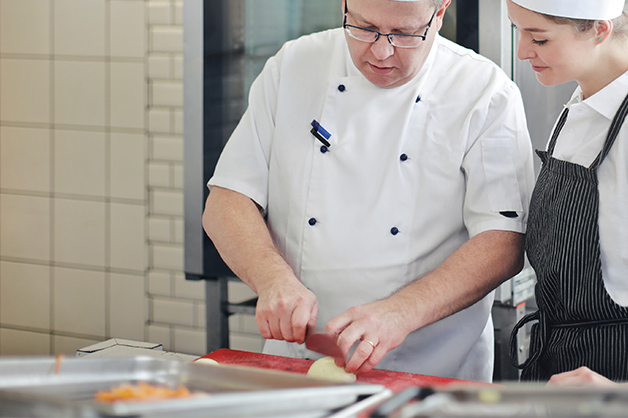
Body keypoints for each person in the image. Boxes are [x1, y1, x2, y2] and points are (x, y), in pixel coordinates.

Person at [203, 0, 535, 383]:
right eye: (362, 27)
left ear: (440, 12)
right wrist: (271, 279)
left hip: (431, 369)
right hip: (299, 364)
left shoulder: (484, 91)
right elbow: (227, 199)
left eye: (405, 34)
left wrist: (402, 312)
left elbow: (504, 241)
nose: (380, 51)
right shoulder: (293, 66)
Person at [507, 0, 628, 384]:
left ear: (599, 30)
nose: (522, 52)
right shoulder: (579, 108)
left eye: (538, 38)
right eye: (518, 31)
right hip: (559, 367)